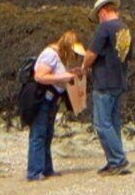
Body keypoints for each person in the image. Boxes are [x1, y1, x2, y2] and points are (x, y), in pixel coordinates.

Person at [23, 23, 90, 181]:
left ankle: (47, 169)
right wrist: (65, 77)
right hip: (41, 99)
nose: (74, 56)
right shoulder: (50, 55)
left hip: (52, 100)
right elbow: (40, 76)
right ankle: (34, 172)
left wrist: (71, 73)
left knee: (47, 134)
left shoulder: (61, 57)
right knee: (39, 134)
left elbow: (56, 74)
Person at [85, 0, 133, 175]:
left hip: (104, 81)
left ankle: (118, 159)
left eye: (98, 15)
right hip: (119, 79)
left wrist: (84, 67)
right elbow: (127, 55)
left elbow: (91, 54)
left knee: (102, 123)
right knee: (113, 123)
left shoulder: (104, 28)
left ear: (103, 12)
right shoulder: (124, 28)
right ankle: (114, 159)